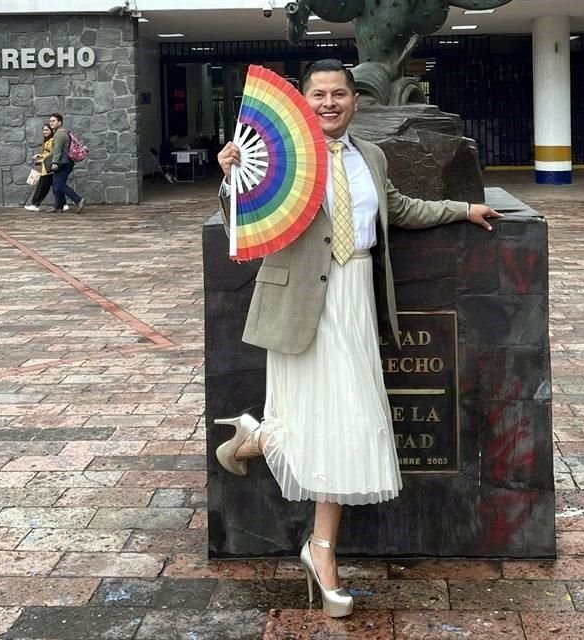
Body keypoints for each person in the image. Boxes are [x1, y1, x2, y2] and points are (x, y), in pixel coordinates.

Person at [214, 59, 502, 618]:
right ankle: (316, 542)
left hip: (354, 298)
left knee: (347, 424)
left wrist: (463, 208)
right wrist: (232, 178)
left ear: (355, 100)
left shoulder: (371, 155)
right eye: (318, 94)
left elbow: (398, 209)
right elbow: (240, 225)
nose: (329, 102)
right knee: (327, 424)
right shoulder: (278, 159)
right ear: (302, 101)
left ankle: (267, 457)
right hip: (301, 303)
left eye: (339, 93)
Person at [48, 113, 86, 213]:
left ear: (59, 122)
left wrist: (55, 162)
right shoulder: (61, 132)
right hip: (65, 162)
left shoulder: (60, 133)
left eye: (53, 121)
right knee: (56, 184)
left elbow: (58, 149)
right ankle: (58, 206)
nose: (51, 123)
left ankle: (78, 200)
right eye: (50, 121)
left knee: (59, 184)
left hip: (63, 163)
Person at [24, 124, 68, 212]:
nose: (45, 132)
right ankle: (63, 204)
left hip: (49, 167)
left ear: (51, 131)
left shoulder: (51, 140)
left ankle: (35, 204)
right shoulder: (47, 141)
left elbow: (53, 153)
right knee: (56, 186)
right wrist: (40, 156)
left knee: (42, 186)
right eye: (44, 130)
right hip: (47, 166)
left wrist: (42, 157)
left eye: (47, 130)